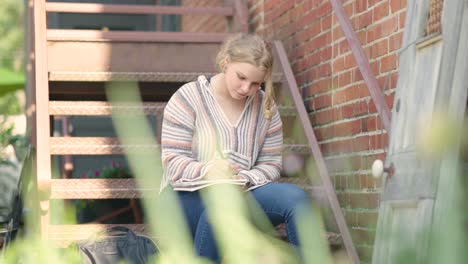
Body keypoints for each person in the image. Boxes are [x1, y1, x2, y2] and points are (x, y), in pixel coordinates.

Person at [160, 33, 311, 262]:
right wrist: (208, 170)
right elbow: (172, 163)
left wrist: (245, 180)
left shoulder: (265, 108)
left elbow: (271, 165)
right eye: (241, 77)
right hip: (188, 195)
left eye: (255, 83)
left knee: (297, 199)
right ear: (225, 62)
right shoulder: (188, 98)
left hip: (243, 192)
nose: (245, 88)